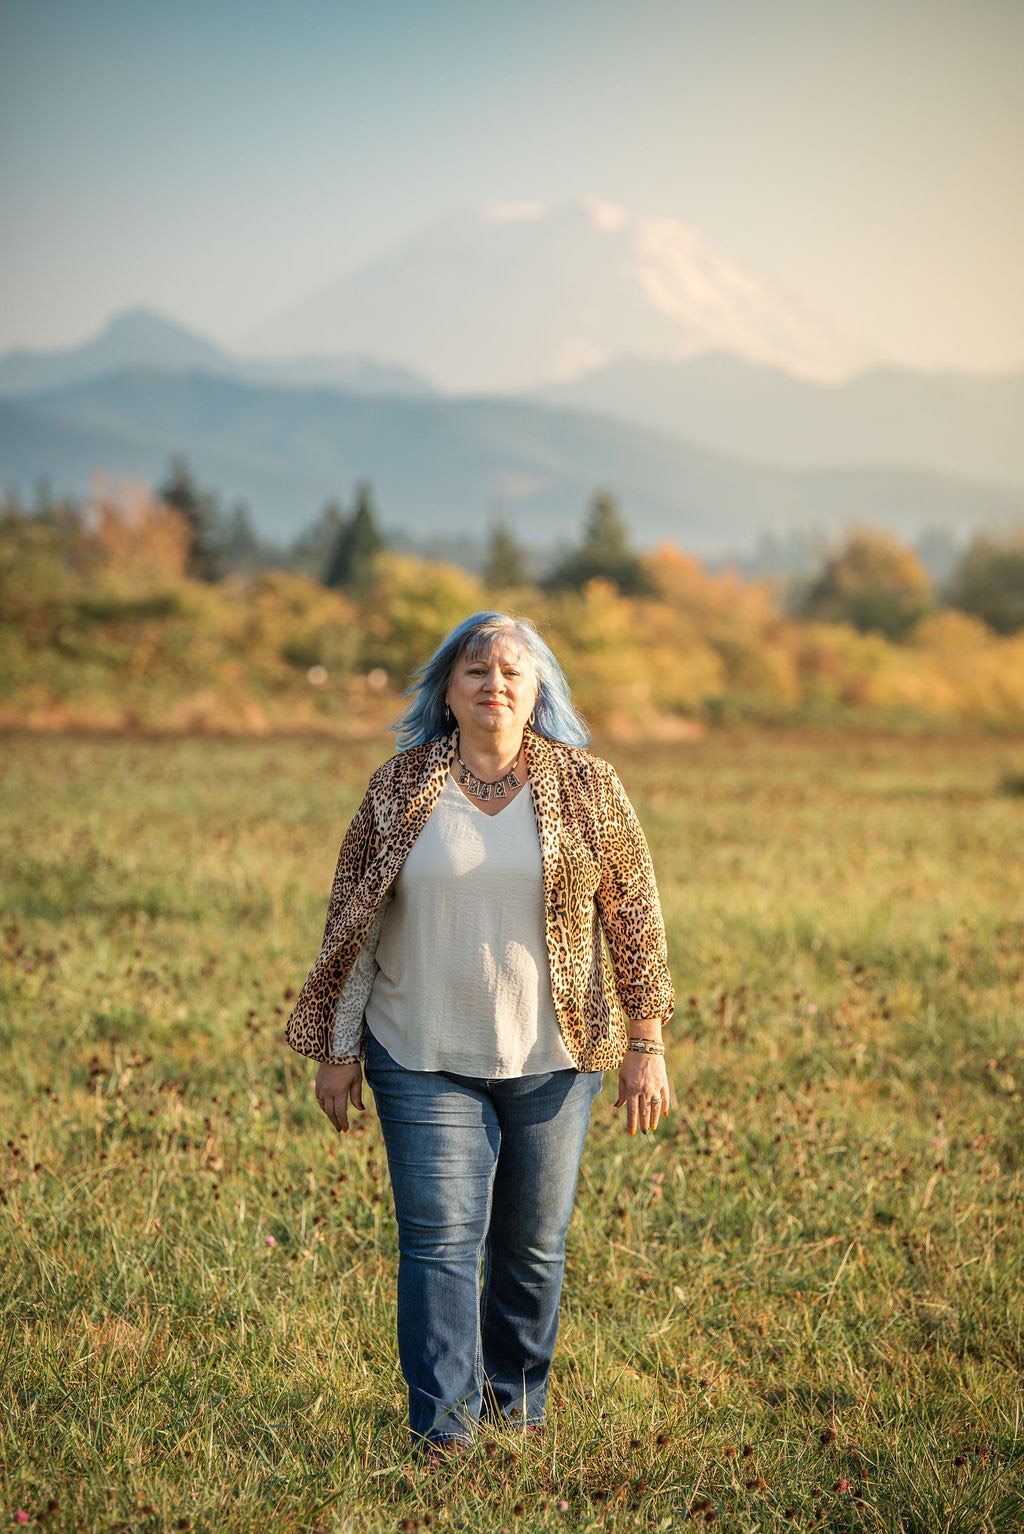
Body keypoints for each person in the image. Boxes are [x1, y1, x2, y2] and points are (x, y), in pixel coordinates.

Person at [285, 611, 673, 1458]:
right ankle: (443, 1433)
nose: (494, 684)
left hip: (555, 1059)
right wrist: (337, 1051)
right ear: (447, 692)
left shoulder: (588, 786)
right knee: (439, 1245)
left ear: (538, 694)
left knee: (531, 1249)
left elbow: (635, 919)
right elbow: (351, 924)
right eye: (475, 671)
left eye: (512, 672)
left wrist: (646, 1045)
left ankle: (518, 1409)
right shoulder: (399, 787)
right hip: (418, 1052)